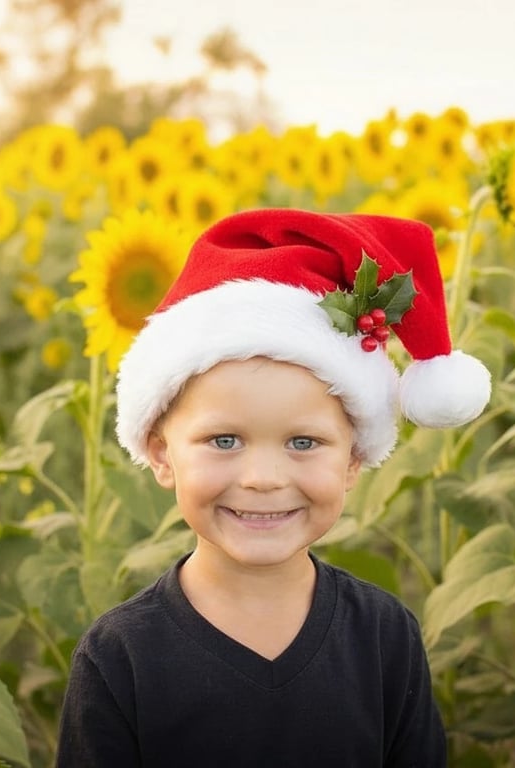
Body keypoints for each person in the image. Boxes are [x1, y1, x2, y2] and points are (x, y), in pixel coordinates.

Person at [56, 208, 491, 767]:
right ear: (162, 451)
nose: (262, 479)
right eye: (224, 440)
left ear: (355, 458)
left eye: (304, 443)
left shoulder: (384, 639)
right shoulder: (121, 657)